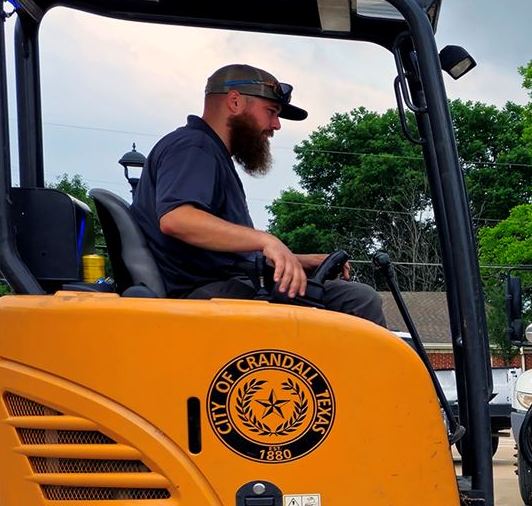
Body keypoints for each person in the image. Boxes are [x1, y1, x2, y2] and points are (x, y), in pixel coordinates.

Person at [135, 66, 385, 323]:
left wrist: (298, 260)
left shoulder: (210, 154)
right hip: (205, 297)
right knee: (357, 299)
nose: (275, 125)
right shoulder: (194, 147)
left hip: (222, 289)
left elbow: (229, 254)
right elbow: (177, 219)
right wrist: (267, 241)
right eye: (271, 112)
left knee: (343, 295)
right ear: (234, 101)